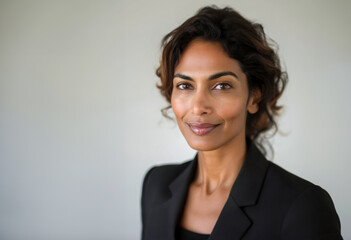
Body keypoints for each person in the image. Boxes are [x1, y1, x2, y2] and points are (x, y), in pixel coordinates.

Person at [141, 5, 342, 240]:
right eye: (185, 86)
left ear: (254, 96)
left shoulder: (302, 207)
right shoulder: (156, 185)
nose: (198, 107)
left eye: (221, 86)